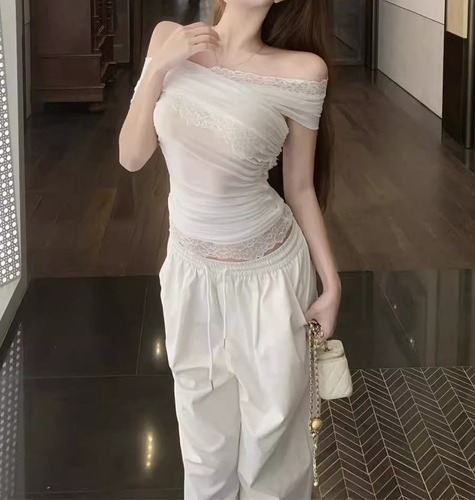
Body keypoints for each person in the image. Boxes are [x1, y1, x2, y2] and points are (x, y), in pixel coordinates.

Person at [119, 0, 341, 498]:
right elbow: (131, 156)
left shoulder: (303, 71)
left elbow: (299, 187)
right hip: (190, 273)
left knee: (272, 446)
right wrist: (159, 66)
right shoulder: (168, 38)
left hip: (271, 278)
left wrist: (332, 284)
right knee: (203, 446)